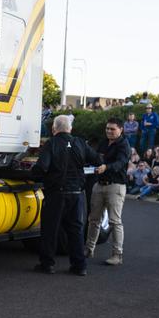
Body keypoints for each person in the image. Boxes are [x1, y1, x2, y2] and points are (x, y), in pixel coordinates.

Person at [30, 114, 100, 275]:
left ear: (54, 129)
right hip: (76, 192)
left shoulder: (51, 143)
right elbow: (96, 159)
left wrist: (34, 175)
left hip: (56, 193)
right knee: (75, 230)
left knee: (50, 229)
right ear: (70, 129)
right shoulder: (80, 143)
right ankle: (79, 266)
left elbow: (42, 167)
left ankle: (47, 264)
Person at [85, 117, 131, 265]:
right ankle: (89, 249)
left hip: (116, 186)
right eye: (107, 129)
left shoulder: (124, 145)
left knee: (114, 221)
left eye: (112, 129)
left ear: (121, 129)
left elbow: (120, 163)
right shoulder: (104, 143)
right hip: (99, 185)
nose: (109, 131)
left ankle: (117, 255)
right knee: (93, 219)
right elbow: (96, 158)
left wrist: (106, 166)